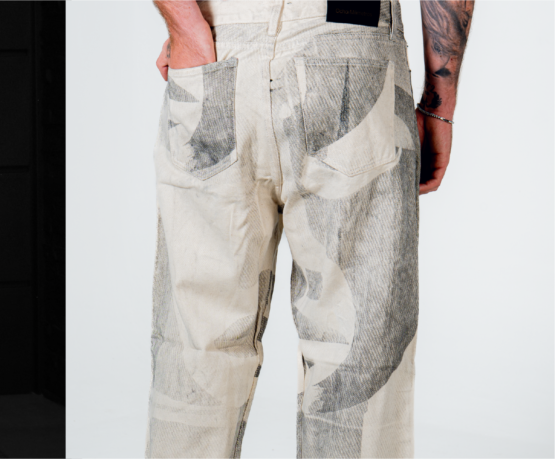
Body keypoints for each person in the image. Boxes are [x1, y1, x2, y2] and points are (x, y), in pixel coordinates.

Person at [145, 0, 471, 457]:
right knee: (357, 361)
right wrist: (439, 104)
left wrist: (187, 28)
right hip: (350, 37)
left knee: (195, 349)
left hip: (218, 37)